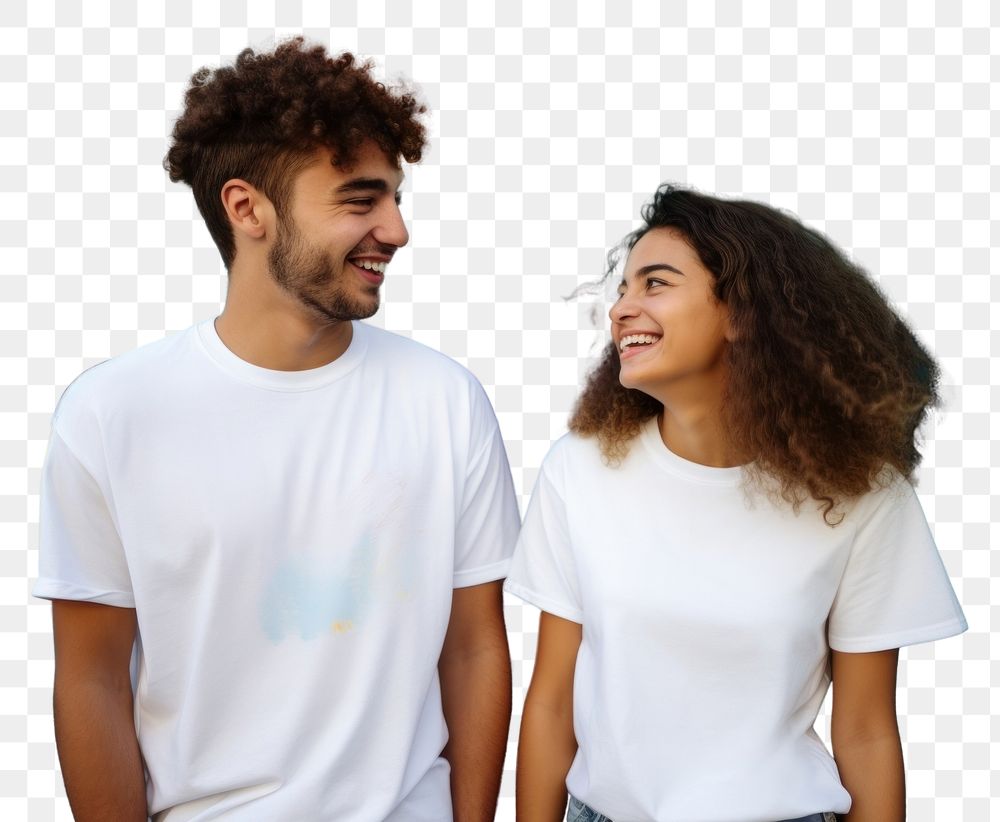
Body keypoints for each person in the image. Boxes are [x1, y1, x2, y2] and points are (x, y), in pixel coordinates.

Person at [34, 38, 519, 821]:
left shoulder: (447, 402)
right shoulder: (111, 416)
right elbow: (89, 676)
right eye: (360, 201)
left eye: (395, 198)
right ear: (246, 208)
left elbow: (474, 648)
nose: (396, 231)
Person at [506, 184, 967, 822]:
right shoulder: (577, 471)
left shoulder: (861, 497)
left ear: (743, 314)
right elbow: (552, 702)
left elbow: (865, 732)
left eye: (655, 283)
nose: (621, 310)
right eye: (622, 289)